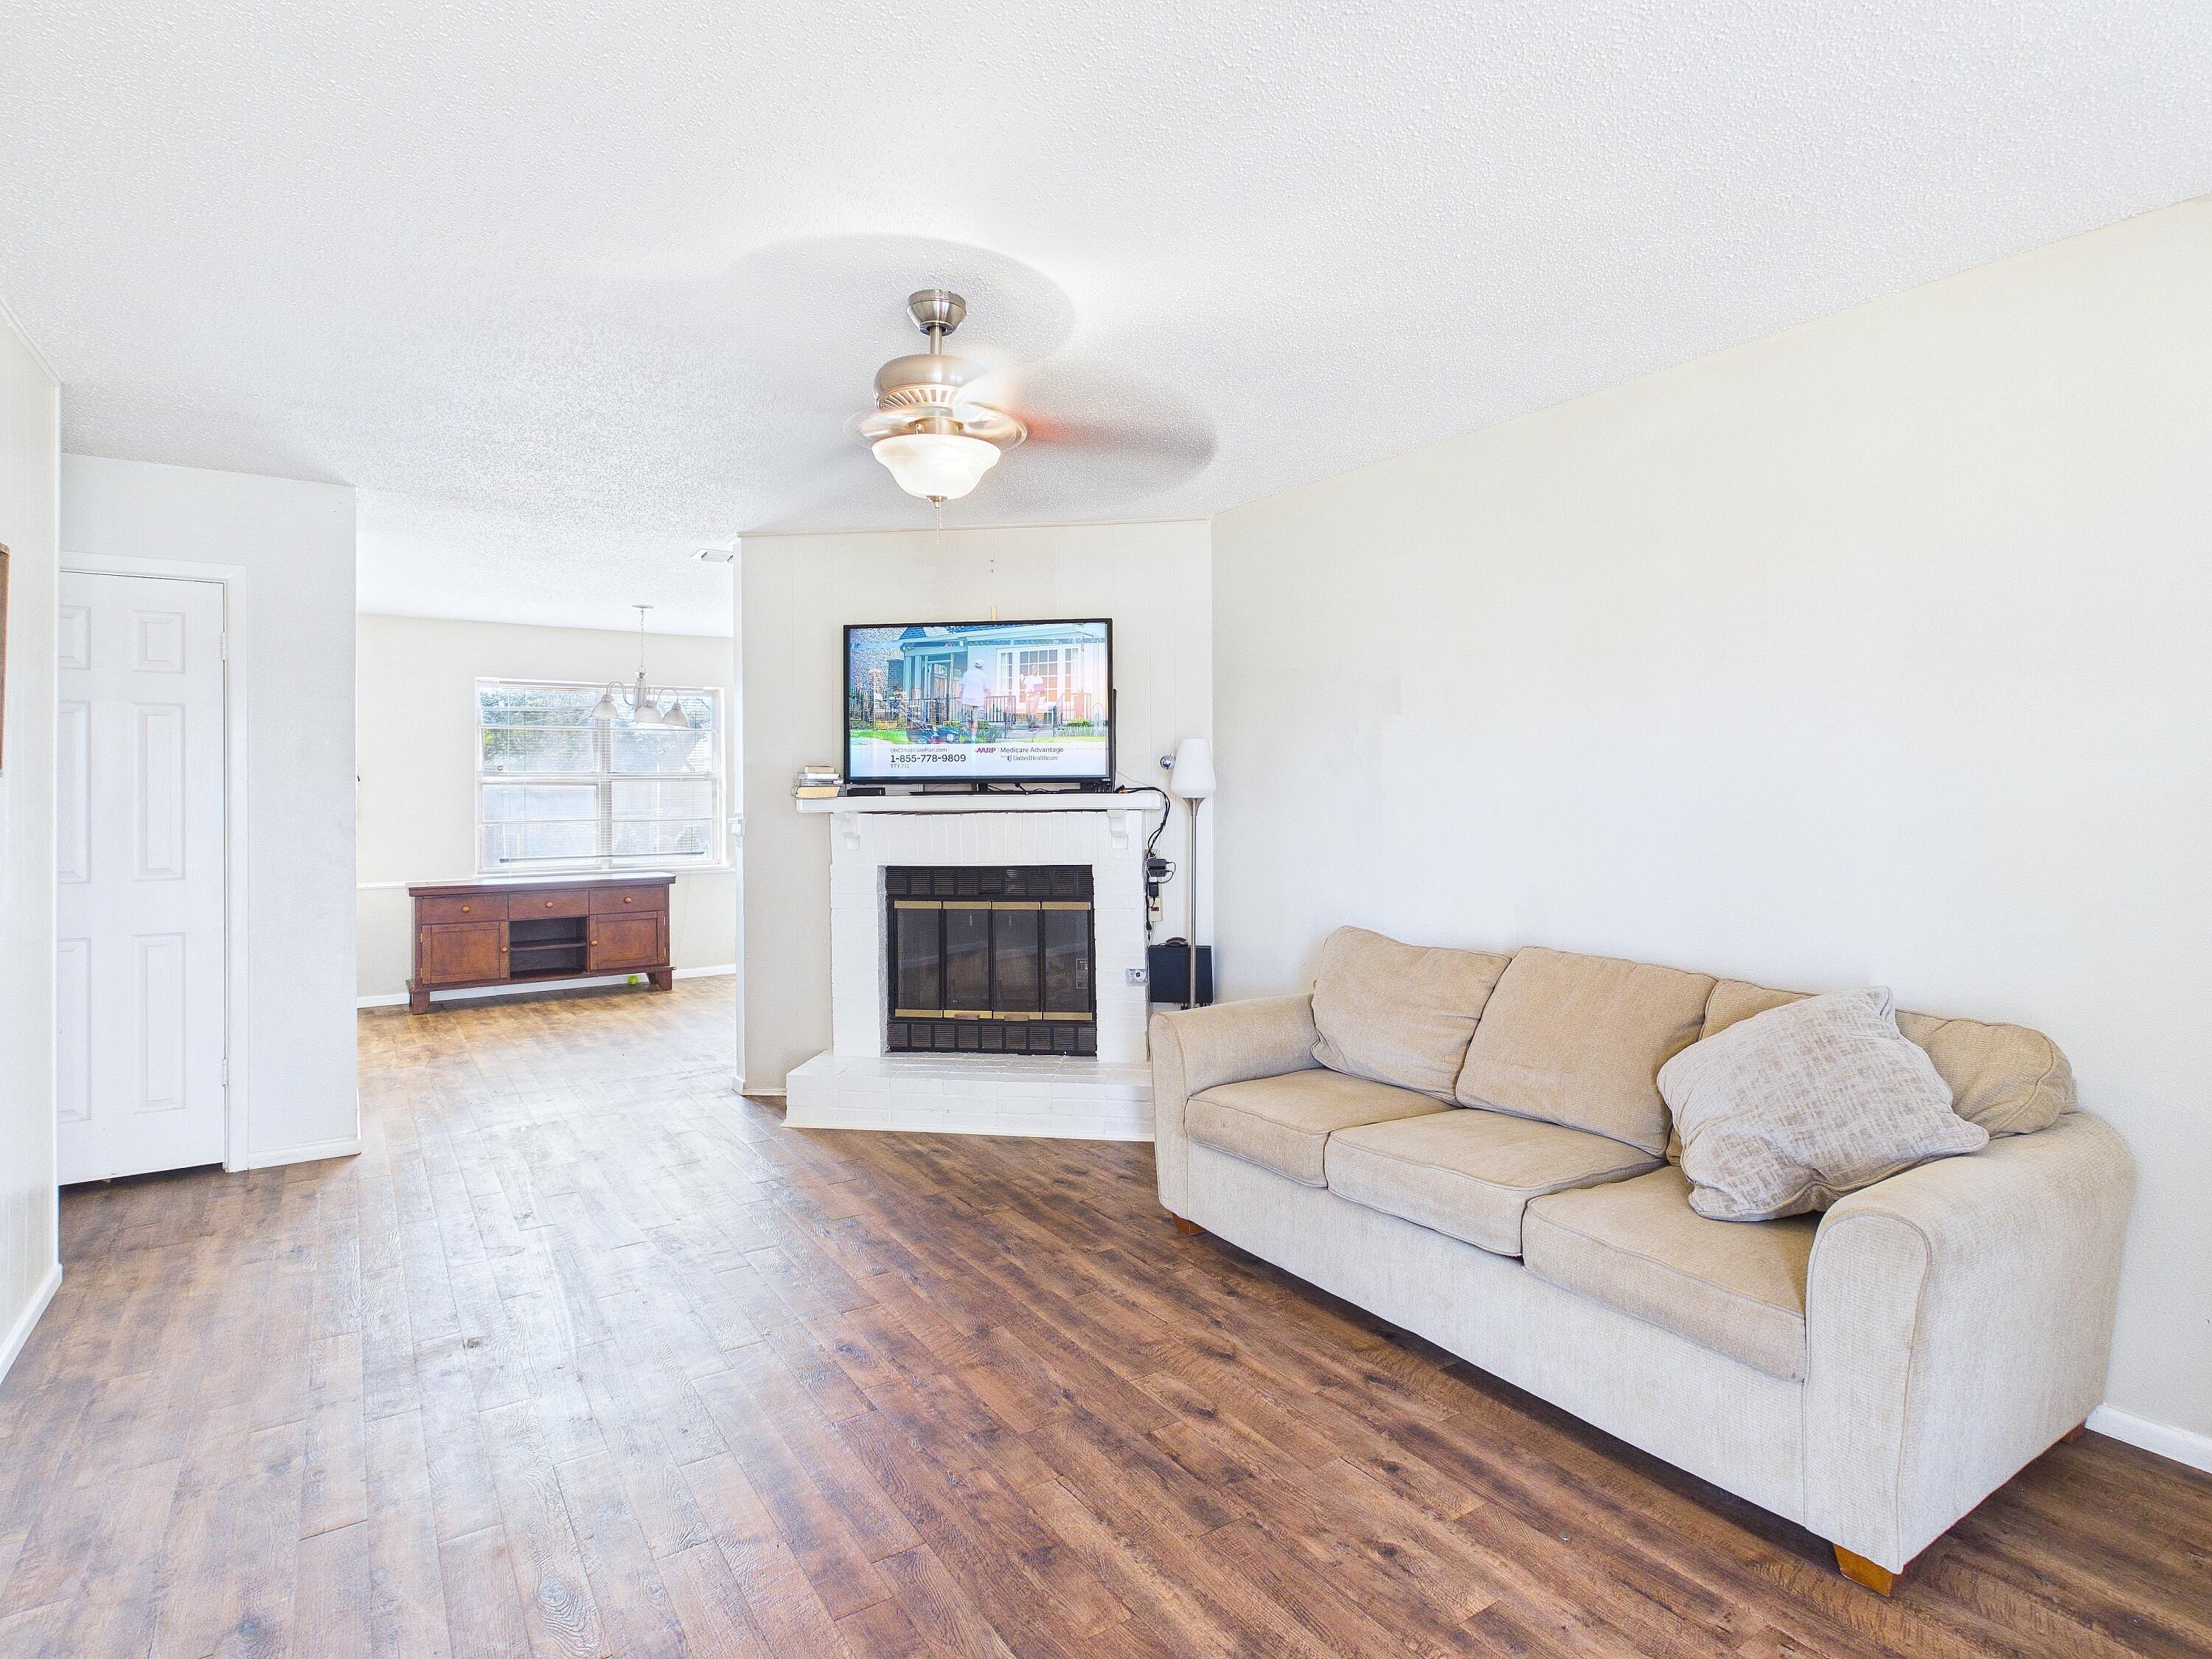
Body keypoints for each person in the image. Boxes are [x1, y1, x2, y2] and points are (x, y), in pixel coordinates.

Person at [960, 656, 991, 739]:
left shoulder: (967, 674)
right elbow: (987, 691)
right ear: (982, 667)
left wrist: (959, 698)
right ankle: (973, 737)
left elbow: (962, 688)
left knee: (968, 718)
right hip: (977, 701)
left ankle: (967, 734)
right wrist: (988, 703)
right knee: (975, 720)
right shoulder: (983, 676)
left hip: (967, 700)